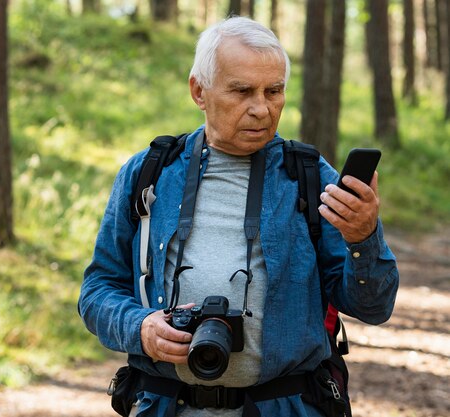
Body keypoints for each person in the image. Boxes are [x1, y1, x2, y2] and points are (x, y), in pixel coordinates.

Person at [78, 16, 399, 417]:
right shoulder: (148, 174)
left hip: (287, 407)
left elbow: (374, 307)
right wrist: (139, 328)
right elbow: (97, 291)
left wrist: (363, 238)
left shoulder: (311, 177)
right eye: (242, 91)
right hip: (163, 404)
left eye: (274, 91)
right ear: (199, 91)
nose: (261, 109)